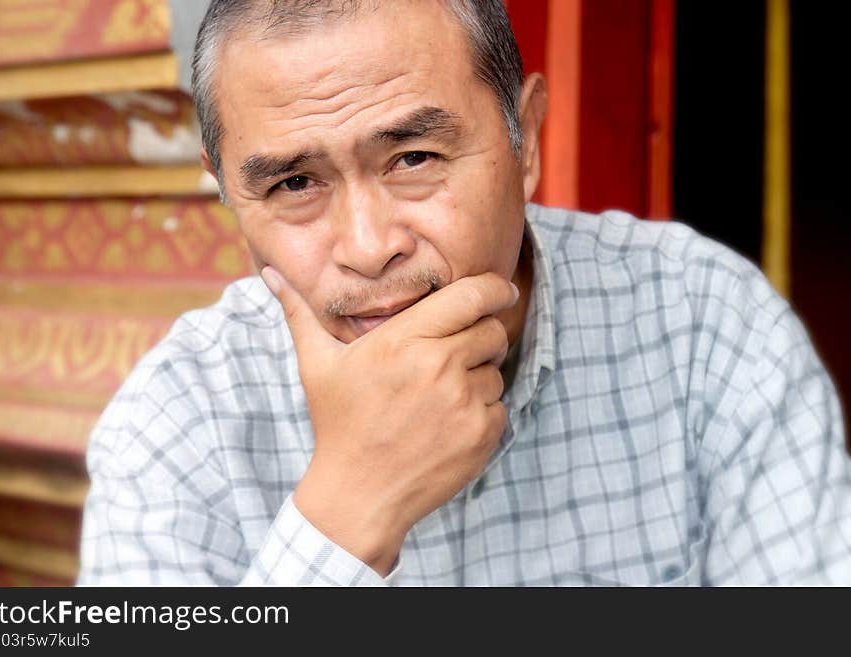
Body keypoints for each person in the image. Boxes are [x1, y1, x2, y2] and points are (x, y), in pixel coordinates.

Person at [77, 0, 850, 586]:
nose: (369, 246)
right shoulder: (176, 422)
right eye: (294, 182)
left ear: (527, 142)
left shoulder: (705, 325)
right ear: (229, 196)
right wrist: (347, 510)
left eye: (414, 157)